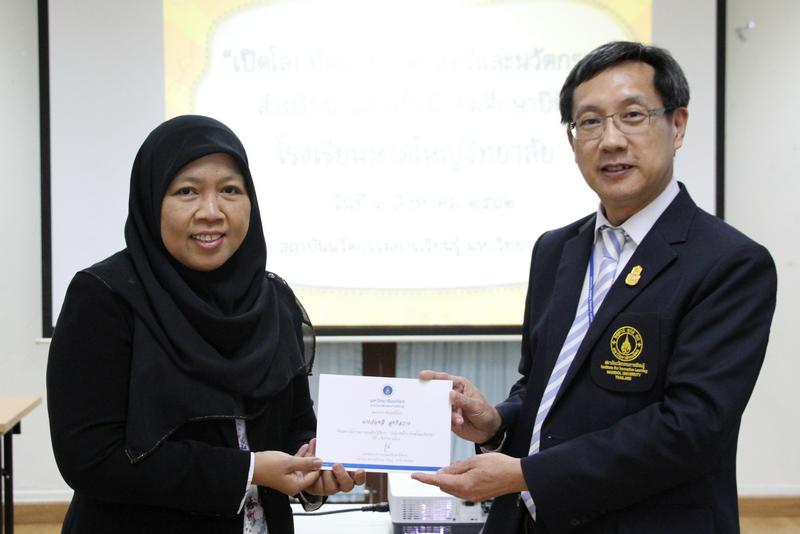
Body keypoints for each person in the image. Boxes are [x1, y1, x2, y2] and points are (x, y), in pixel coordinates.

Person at [412, 41, 777, 533]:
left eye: (632, 116)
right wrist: (496, 424)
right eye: (589, 122)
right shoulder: (555, 249)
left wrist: (528, 475)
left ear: (678, 125)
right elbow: (543, 387)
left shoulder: (729, 262)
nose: (610, 140)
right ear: (572, 140)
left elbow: (690, 428)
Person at [47, 115, 365, 533]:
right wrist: (248, 471)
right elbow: (90, 457)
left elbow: (295, 427)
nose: (211, 212)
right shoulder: (106, 297)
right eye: (187, 191)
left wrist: (314, 469)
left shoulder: (272, 300)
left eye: (230, 190)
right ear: (151, 201)